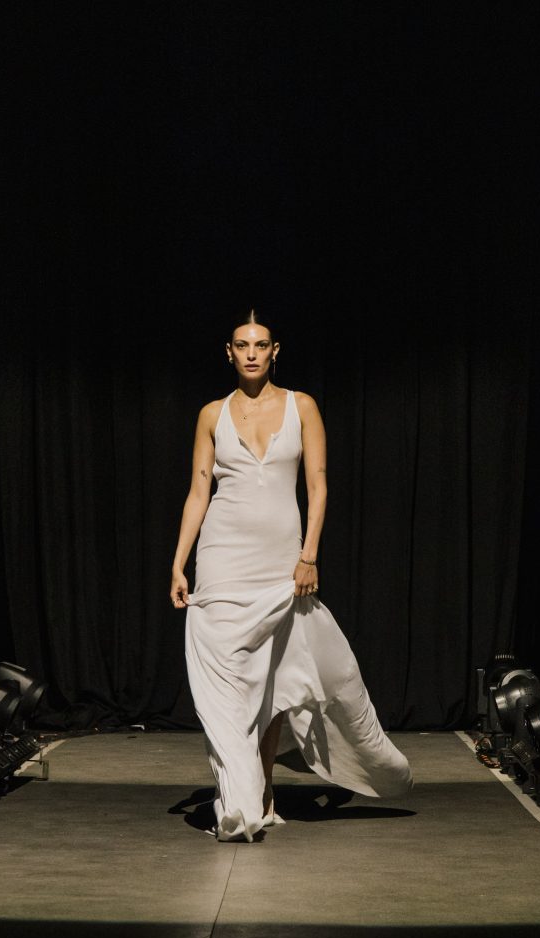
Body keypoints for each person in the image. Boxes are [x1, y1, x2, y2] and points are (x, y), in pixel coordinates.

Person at [170, 309, 411, 842]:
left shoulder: (302, 406)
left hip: (280, 559)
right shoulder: (211, 414)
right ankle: (238, 797)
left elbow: (318, 486)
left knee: (272, 680)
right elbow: (198, 492)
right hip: (222, 556)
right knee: (226, 681)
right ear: (229, 353)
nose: (251, 353)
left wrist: (309, 555)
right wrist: (178, 562)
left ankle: (262, 793)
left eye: (260, 345)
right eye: (241, 345)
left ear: (274, 351)